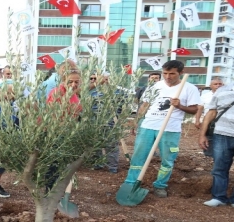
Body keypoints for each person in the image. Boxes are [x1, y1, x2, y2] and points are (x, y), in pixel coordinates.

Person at [123, 60, 200, 198]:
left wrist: (180, 106)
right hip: (148, 126)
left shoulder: (189, 88)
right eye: (165, 73)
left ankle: (160, 185)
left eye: (172, 74)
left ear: (180, 73)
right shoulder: (155, 86)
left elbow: (195, 109)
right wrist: (136, 122)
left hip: (170, 129)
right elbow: (145, 105)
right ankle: (130, 183)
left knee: (168, 159)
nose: (168, 77)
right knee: (138, 156)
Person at [199, 84, 234, 207]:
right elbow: (212, 112)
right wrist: (202, 134)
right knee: (219, 167)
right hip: (222, 134)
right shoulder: (223, 90)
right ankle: (219, 197)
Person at [90, 72, 120, 173]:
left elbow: (121, 106)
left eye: (106, 79)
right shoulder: (92, 91)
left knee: (111, 145)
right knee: (95, 145)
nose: (104, 82)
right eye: (103, 79)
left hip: (111, 122)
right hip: (95, 122)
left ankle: (112, 167)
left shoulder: (116, 91)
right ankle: (97, 163)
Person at [195, 78, 224, 158]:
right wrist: (197, 120)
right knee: (209, 139)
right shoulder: (205, 96)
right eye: (215, 84)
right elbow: (200, 108)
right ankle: (211, 154)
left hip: (223, 122)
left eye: (220, 84)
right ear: (210, 86)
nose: (218, 86)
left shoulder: (228, 96)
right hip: (209, 122)